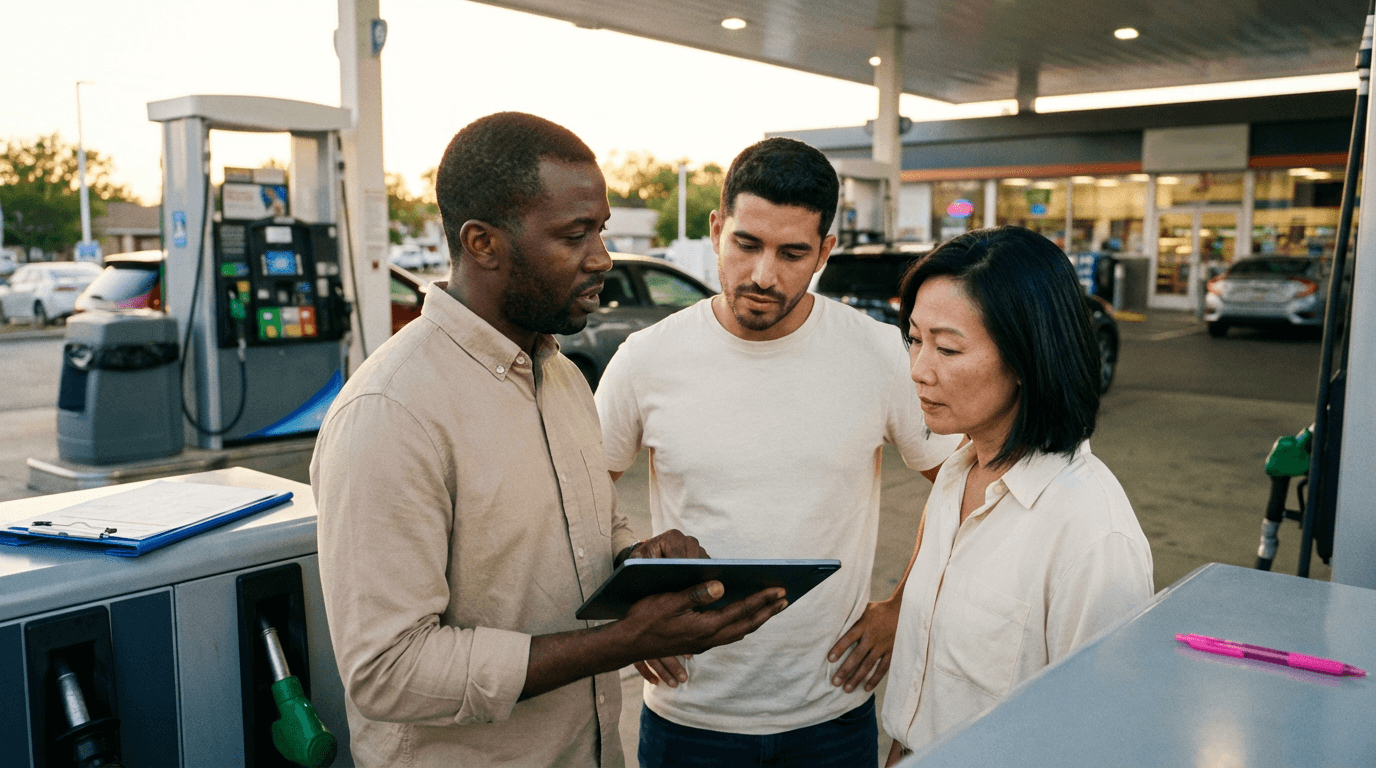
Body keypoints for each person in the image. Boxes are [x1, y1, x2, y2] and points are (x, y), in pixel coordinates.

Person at [311, 112, 788, 768]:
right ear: (483, 243)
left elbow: (582, 530)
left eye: (601, 229)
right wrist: (620, 641)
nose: (602, 258)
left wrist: (640, 566)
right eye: (574, 234)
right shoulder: (389, 414)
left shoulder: (561, 377)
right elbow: (387, 671)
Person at [595, 137, 961, 767]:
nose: (764, 275)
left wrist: (902, 607)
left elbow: (960, 484)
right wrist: (630, 615)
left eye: (793, 253)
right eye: (747, 244)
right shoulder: (647, 357)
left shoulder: (877, 354)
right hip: (690, 712)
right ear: (716, 230)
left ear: (825, 251)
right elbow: (579, 495)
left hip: (831, 709)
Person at [881, 226, 1155, 763]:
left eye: (948, 348)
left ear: (1028, 358)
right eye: (914, 339)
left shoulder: (1092, 537)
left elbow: (1103, 741)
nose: (918, 370)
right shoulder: (958, 473)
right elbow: (921, 708)